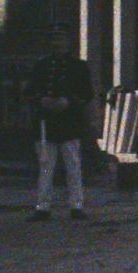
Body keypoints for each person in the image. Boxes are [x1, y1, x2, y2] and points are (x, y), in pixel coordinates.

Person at [29, 25, 94, 221]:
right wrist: (42, 100)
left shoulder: (79, 67)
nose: (57, 44)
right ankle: (43, 206)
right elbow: (30, 91)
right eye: (54, 40)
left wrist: (69, 101)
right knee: (46, 165)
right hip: (46, 121)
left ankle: (76, 205)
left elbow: (87, 93)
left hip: (69, 120)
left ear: (69, 42)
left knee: (73, 164)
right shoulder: (41, 66)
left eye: (61, 39)